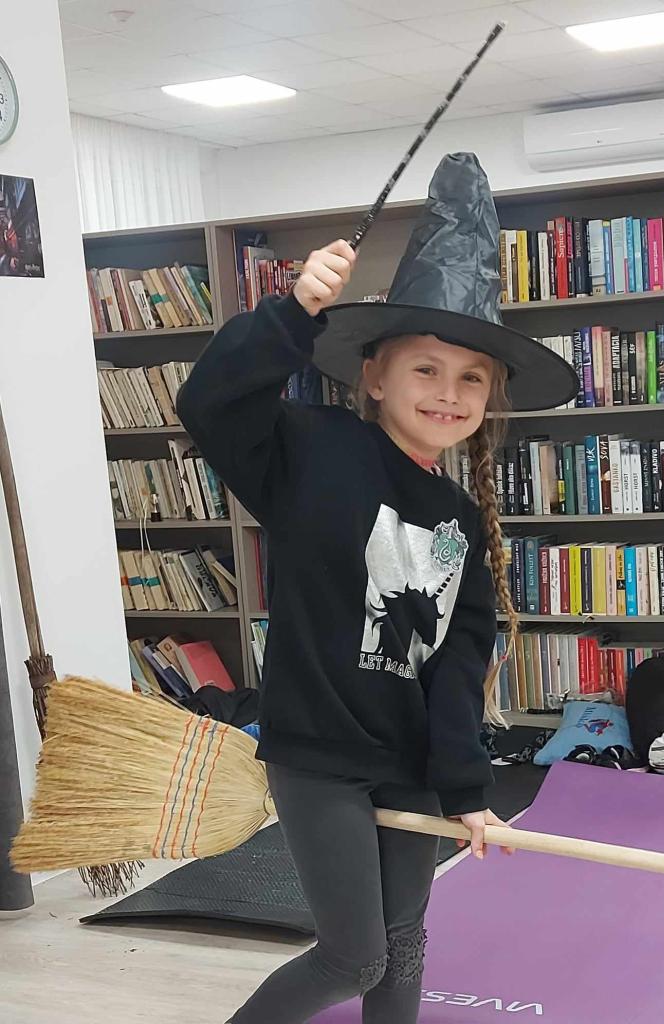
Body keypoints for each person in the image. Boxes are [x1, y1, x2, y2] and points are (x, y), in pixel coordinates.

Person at [177, 152, 577, 1024]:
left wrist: (467, 792)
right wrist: (290, 313)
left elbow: (456, 667)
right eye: (426, 369)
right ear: (375, 375)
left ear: (491, 397)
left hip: (408, 765)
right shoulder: (311, 451)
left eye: (471, 378)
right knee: (353, 955)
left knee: (404, 942)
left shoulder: (461, 521)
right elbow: (208, 403)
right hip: (318, 757)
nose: (448, 393)